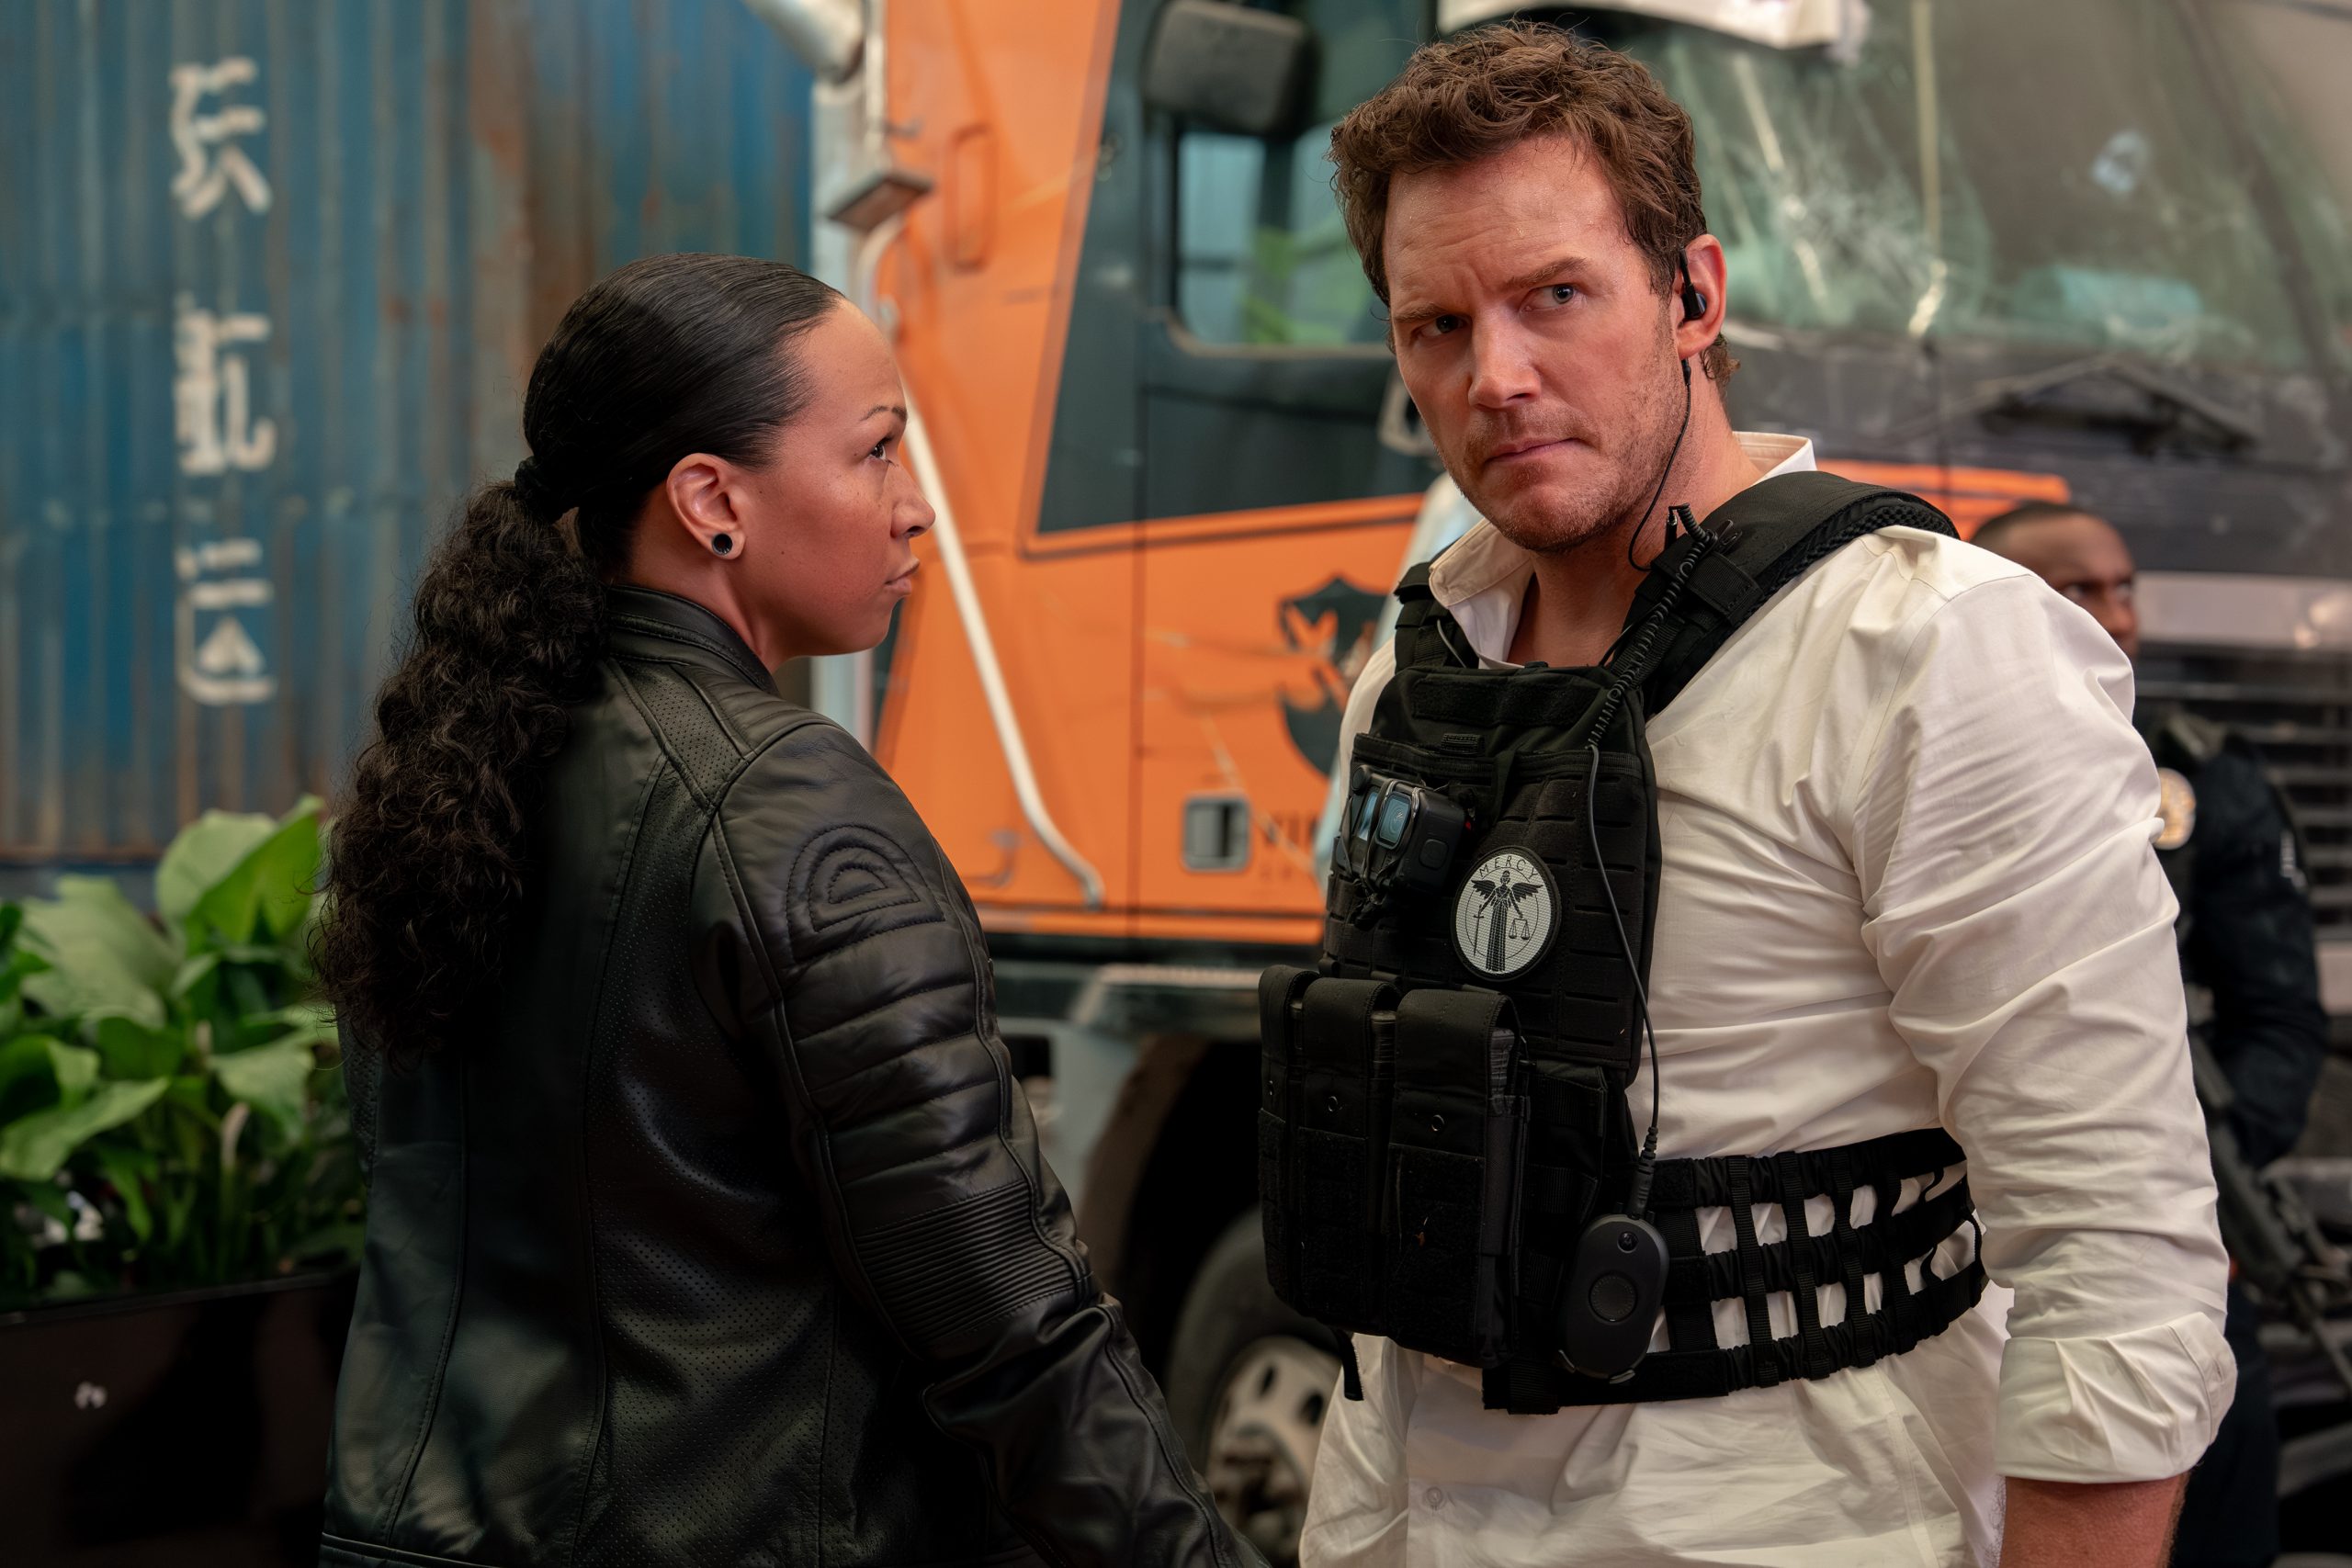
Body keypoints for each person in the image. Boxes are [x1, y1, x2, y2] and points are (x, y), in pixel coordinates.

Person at [1294, 25, 2232, 1567]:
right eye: (1436, 324)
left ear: (1695, 295)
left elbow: (2115, 1245)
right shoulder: (1416, 678)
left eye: (1556, 298)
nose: (1497, 376)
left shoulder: (1929, 651)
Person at [311, 254, 1253, 1568]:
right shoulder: (788, 805)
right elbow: (1003, 1314)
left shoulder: (443, 782)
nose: (914, 508)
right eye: (874, 454)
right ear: (712, 502)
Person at [1976, 501, 2329, 1568]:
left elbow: (2276, 1020)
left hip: (2174, 1232)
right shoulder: (1917, 764)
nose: (2115, 616)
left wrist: (2198, 1208)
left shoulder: (2197, 773)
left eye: (2122, 588)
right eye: (2078, 590)